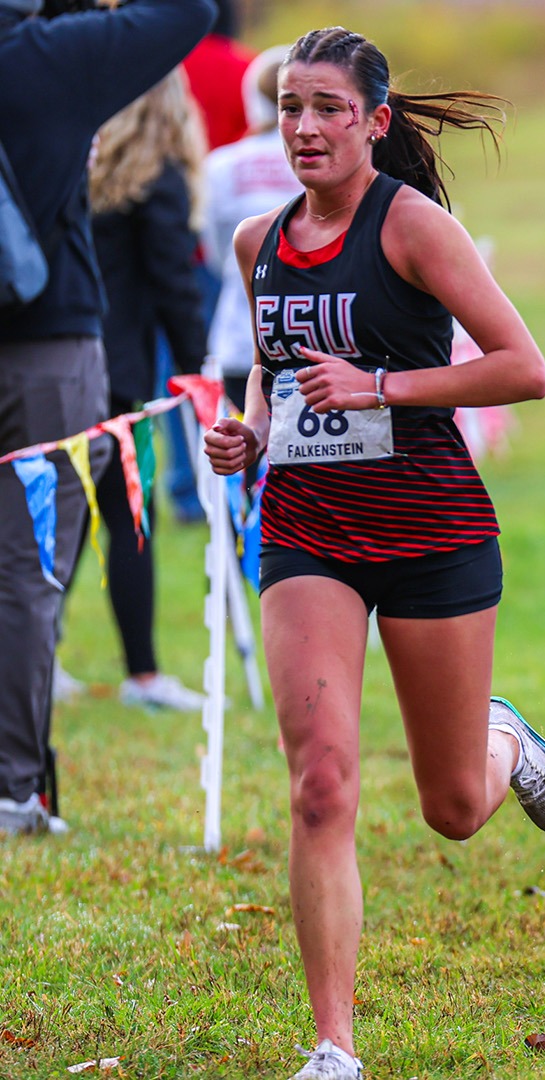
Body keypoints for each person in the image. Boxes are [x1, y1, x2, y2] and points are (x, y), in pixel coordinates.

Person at [199, 27, 545, 1079]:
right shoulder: (257, 241)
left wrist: (383, 387)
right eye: (289, 106)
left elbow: (523, 369)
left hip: (431, 531)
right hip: (307, 530)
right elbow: (274, 375)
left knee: (454, 809)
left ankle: (506, 740)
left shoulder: (414, 229)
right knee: (320, 784)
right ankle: (333, 1047)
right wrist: (250, 433)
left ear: (375, 121)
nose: (305, 127)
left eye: (327, 108)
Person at [0, 0, 216, 836]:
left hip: (55, 338)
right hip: (45, 338)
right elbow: (192, 10)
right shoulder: (53, 55)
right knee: (25, 569)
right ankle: (14, 786)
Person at [85, 67, 210, 712]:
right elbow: (174, 286)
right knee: (131, 517)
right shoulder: (156, 180)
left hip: (61, 360)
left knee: (59, 519)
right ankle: (142, 675)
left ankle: (39, 662)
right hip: (119, 376)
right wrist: (202, 366)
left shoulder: (85, 174)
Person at [203, 43, 302, 410]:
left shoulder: (220, 165)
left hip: (238, 336)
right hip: (312, 336)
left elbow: (217, 254)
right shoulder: (322, 157)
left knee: (245, 458)